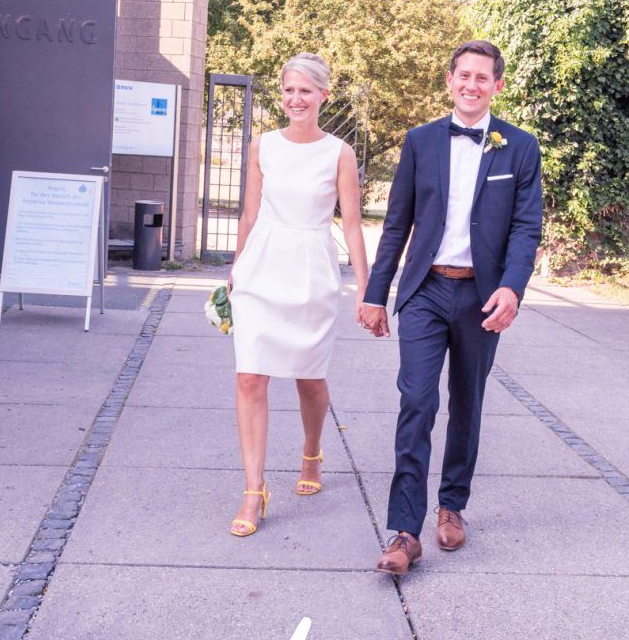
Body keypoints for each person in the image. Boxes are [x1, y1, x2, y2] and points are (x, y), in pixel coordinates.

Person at [360, 40, 542, 574]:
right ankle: (404, 532)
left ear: (497, 86)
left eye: (482, 78)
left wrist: (512, 287)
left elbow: (526, 227)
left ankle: (452, 507)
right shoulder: (420, 141)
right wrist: (376, 293)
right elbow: (397, 222)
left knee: (468, 401)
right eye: (463, 75)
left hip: (482, 297)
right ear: (449, 79)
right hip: (425, 291)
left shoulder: (520, 147)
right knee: (416, 401)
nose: (471, 85)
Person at [228, 53, 368, 536]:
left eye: (306, 91)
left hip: (311, 272)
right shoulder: (261, 145)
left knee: (309, 379)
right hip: (261, 269)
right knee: (251, 377)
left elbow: (350, 225)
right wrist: (235, 268)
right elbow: (248, 214)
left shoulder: (339, 153)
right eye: (288, 90)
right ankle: (254, 490)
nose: (295, 99)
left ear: (323, 96)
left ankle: (312, 453)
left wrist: (365, 290)